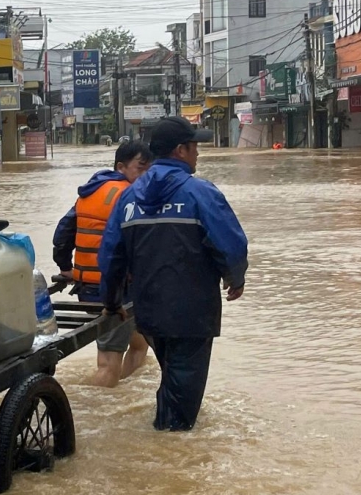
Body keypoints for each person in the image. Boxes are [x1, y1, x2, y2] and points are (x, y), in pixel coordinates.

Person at [98, 116, 249, 431]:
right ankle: (168, 454)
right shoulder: (200, 193)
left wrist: (112, 302)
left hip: (149, 312)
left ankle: (163, 435)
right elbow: (231, 244)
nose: (198, 154)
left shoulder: (128, 197)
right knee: (181, 406)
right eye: (195, 147)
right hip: (192, 315)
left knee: (173, 378)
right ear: (181, 150)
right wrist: (235, 278)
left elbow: (111, 257)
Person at [53, 141, 153, 388]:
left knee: (140, 345)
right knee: (108, 362)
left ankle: (121, 396)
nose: (145, 176)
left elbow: (63, 233)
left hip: (86, 288)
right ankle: (96, 409)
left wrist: (66, 267)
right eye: (140, 168)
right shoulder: (130, 197)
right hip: (115, 292)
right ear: (121, 166)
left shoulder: (90, 191)